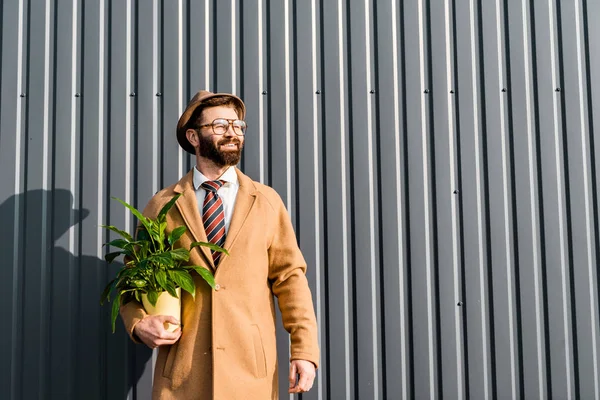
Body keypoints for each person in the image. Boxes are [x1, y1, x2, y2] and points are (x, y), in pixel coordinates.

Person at [120, 90, 320, 399]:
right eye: (220, 125)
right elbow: (133, 279)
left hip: (250, 373)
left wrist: (304, 351)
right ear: (194, 136)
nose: (233, 133)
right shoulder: (162, 204)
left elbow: (290, 277)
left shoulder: (266, 201)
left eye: (239, 126)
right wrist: (139, 324)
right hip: (183, 375)